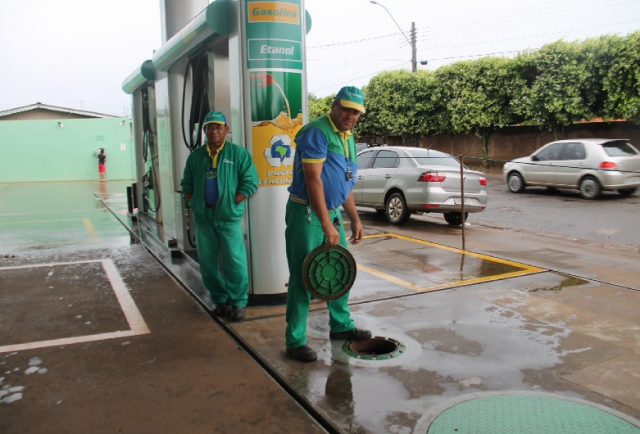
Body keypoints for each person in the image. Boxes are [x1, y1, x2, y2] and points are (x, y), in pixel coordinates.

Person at [284, 86, 371, 362]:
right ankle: (295, 340)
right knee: (302, 277)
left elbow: (345, 183)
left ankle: (341, 325)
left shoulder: (348, 138)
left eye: (356, 112)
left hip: (331, 213)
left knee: (337, 271)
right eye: (346, 109)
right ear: (334, 105)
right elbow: (313, 180)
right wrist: (326, 224)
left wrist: (354, 219)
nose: (351, 116)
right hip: (306, 214)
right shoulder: (316, 132)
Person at [180, 111, 259, 321]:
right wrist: (194, 199)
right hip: (204, 218)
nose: (214, 131)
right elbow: (186, 183)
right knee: (207, 263)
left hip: (228, 217)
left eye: (218, 127)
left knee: (235, 261)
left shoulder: (238, 154)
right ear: (204, 130)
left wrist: (234, 200)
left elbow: (251, 181)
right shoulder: (196, 157)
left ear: (226, 129)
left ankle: (238, 303)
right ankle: (219, 300)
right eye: (209, 127)